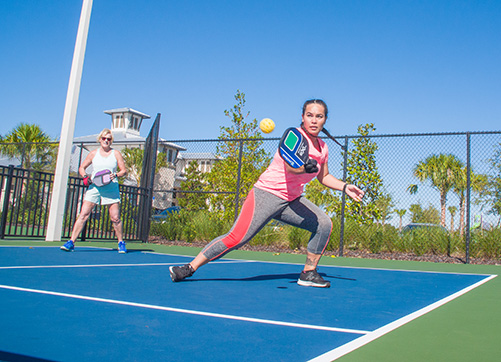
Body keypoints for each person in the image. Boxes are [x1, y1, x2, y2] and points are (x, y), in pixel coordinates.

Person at [169, 99, 364, 287]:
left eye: (319, 116)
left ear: (325, 120)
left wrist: (345, 187)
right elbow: (291, 168)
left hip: (292, 200)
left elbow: (324, 177)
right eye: (309, 115)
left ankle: (308, 273)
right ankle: (188, 268)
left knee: (324, 224)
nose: (314, 120)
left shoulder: (323, 147)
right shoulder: (294, 136)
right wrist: (305, 168)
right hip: (266, 194)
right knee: (237, 238)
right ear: (303, 117)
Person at [61, 129, 128, 253]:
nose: (106, 141)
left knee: (115, 218)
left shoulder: (116, 153)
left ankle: (121, 243)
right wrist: (85, 177)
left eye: (109, 139)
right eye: (104, 138)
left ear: (111, 141)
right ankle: (71, 242)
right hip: (95, 188)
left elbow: (124, 170)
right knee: (83, 215)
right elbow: (82, 167)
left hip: (111, 187)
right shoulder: (93, 154)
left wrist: (116, 175)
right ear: (100, 139)